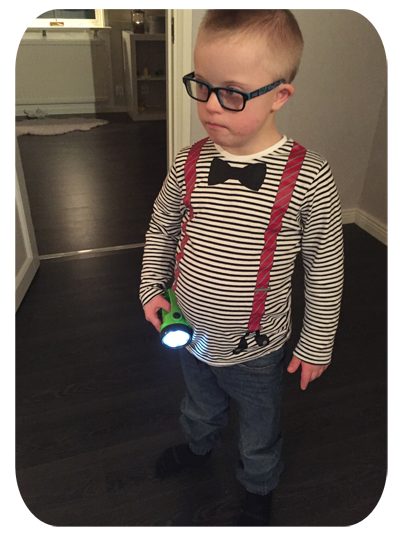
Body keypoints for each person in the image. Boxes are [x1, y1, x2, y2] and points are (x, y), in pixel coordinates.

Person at [139, 9, 344, 527]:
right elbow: (162, 229)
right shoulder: (186, 161)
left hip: (256, 348)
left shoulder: (309, 176)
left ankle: (258, 484)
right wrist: (152, 288)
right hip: (189, 331)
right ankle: (198, 446)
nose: (210, 104)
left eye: (232, 92)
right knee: (198, 402)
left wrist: (317, 341)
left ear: (280, 95)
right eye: (202, 85)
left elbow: (324, 268)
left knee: (259, 427)